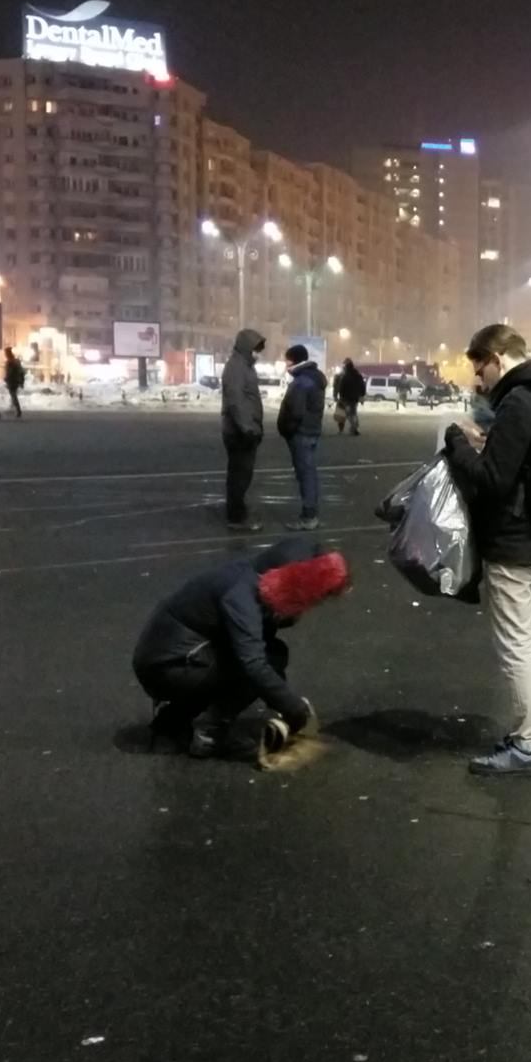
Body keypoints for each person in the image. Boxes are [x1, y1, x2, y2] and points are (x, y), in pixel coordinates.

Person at [443, 323, 531, 777]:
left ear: (497, 358)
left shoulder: (520, 401)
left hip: (513, 540)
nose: (478, 380)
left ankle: (527, 745)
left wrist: (457, 444)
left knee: (515, 644)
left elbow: (492, 480)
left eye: (479, 368)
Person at [133, 538, 350, 769]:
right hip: (169, 667)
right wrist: (294, 709)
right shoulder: (241, 595)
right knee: (264, 661)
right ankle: (210, 732)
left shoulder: (253, 577)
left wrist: (280, 701)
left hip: (169, 657)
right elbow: (254, 663)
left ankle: (172, 721)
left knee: (271, 654)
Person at [219, 329, 267, 531]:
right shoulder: (237, 368)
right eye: (256, 349)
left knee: (240, 474)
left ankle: (236, 513)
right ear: (247, 348)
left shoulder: (244, 366)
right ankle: (237, 518)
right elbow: (236, 402)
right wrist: (248, 429)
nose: (258, 354)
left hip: (244, 429)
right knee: (240, 475)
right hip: (240, 432)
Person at [276, 344, 327, 529]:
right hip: (311, 430)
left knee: (305, 474)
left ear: (295, 361)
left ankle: (309, 515)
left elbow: (295, 412)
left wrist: (286, 429)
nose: (286, 365)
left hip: (301, 433)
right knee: (309, 473)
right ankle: (310, 512)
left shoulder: (302, 382)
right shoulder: (313, 378)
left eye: (287, 361)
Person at [333, 357, 366, 435]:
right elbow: (362, 386)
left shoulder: (342, 375)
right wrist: (361, 395)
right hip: (354, 398)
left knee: (341, 413)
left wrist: (336, 395)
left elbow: (339, 387)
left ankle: (342, 430)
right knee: (353, 413)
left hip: (344, 398)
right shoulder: (358, 375)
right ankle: (354, 428)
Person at [3, 348, 26, 419]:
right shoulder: (15, 361)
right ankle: (14, 408)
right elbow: (21, 371)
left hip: (12, 380)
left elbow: (9, 372)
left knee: (13, 395)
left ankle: (18, 410)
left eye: (6, 353)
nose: (5, 355)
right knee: (13, 394)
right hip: (15, 380)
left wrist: (6, 378)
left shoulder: (10, 362)